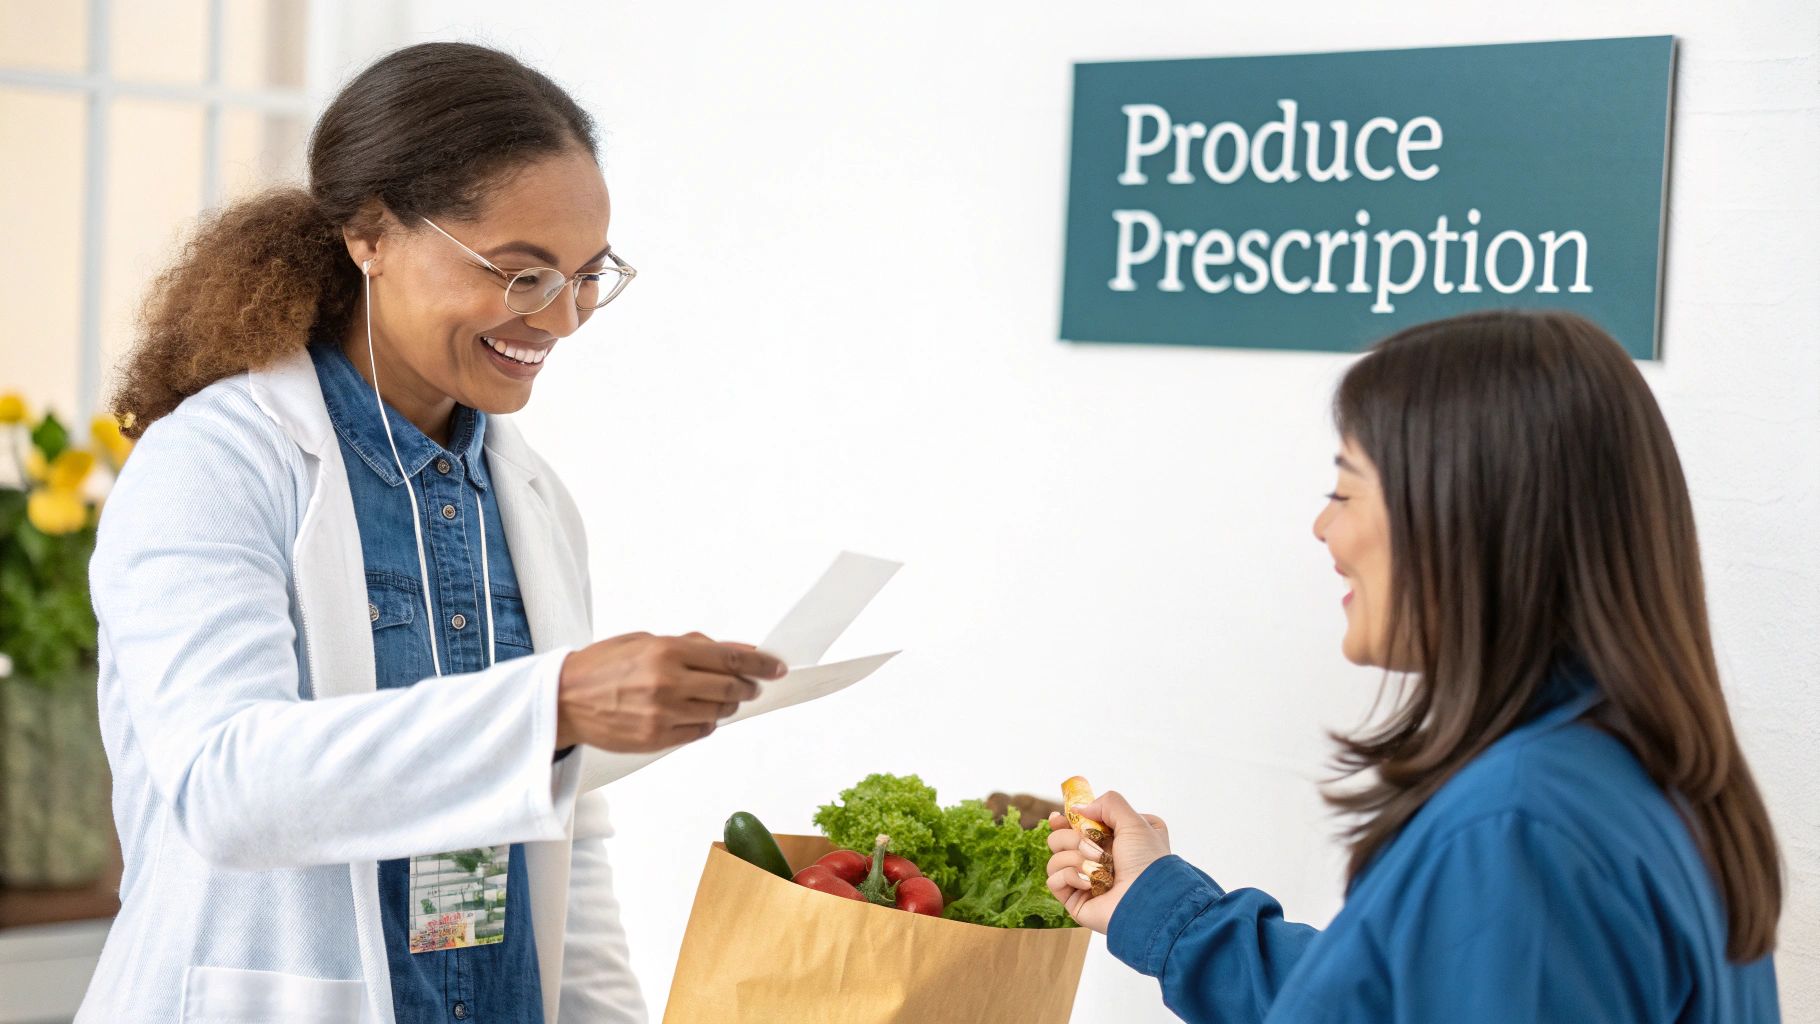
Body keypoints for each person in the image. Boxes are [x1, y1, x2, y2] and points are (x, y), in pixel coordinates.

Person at [79, 42, 784, 1023]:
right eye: (520, 273)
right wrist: (557, 701)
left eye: (586, 276)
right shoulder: (214, 465)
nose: (563, 318)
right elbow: (225, 784)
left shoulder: (530, 498)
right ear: (369, 233)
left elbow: (562, 847)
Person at [1046, 310, 1782, 1022]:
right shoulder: (1622, 774)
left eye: (1344, 489)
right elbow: (1389, 1003)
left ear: (1466, 517)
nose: (1322, 526)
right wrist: (1162, 909)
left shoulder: (1521, 829)